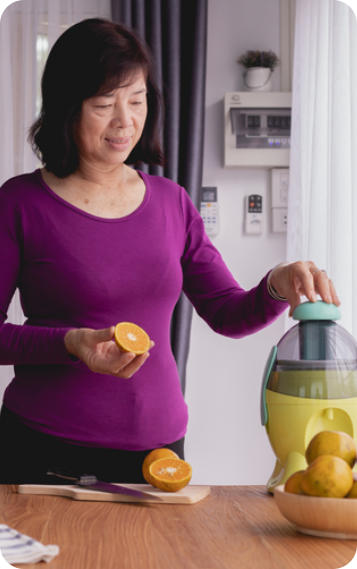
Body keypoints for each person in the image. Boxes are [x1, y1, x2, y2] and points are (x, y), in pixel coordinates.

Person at [0, 18, 339, 484]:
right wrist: (70, 342)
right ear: (66, 108)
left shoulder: (171, 201)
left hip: (158, 451)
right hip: (43, 450)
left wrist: (277, 284)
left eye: (136, 100)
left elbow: (228, 313)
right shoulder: (20, 203)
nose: (125, 121)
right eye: (104, 104)